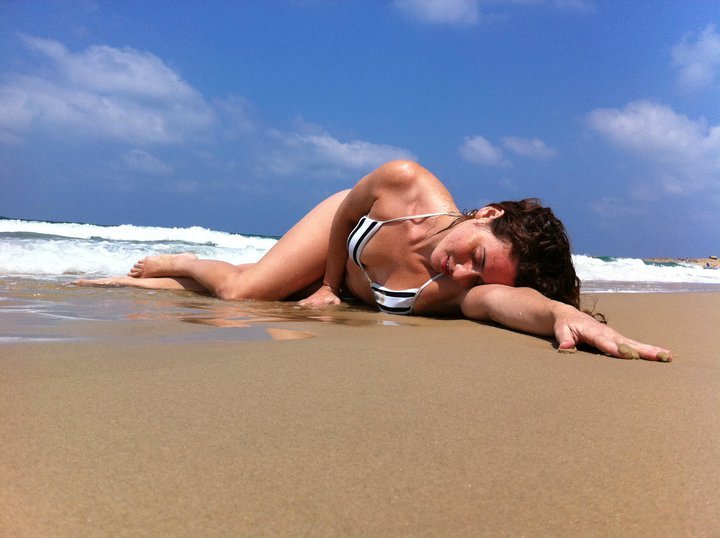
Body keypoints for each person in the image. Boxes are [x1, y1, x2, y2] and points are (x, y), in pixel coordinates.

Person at [76, 160, 672, 362]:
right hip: (344, 233)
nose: (461, 272)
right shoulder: (406, 182)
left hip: (343, 277)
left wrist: (565, 316)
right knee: (243, 293)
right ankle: (185, 258)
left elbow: (504, 301)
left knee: (268, 300)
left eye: (477, 276)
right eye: (476, 256)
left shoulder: (459, 289)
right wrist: (329, 283)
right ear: (486, 214)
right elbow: (348, 210)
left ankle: (128, 281)